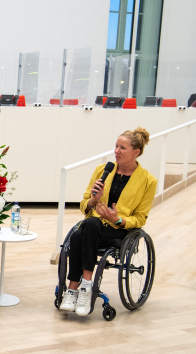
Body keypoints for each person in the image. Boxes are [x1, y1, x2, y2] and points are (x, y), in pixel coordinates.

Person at [59, 127, 158, 316]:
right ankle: (82, 287)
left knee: (84, 230)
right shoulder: (103, 170)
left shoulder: (148, 181)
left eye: (123, 148)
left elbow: (140, 218)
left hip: (119, 230)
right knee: (86, 228)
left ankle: (76, 288)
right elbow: (84, 206)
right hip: (93, 227)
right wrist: (94, 200)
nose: (117, 151)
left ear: (136, 152)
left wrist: (118, 218)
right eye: (116, 146)